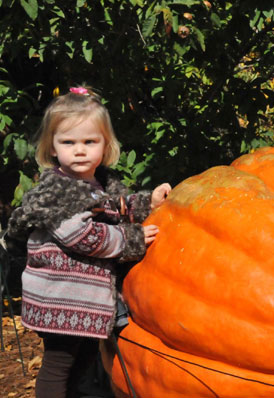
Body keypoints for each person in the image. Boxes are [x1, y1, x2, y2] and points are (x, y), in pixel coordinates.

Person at [6, 86, 171, 398]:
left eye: (89, 142)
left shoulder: (99, 184)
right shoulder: (57, 193)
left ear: (105, 146)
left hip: (81, 301)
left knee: (83, 364)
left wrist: (149, 202)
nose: (79, 150)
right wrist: (130, 239)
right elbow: (83, 237)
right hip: (59, 299)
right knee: (58, 365)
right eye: (68, 142)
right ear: (52, 148)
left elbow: (116, 205)